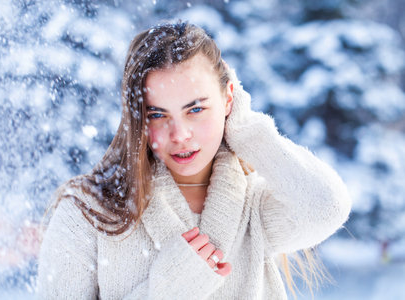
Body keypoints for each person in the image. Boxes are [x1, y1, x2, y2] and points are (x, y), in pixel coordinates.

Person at [37, 21, 351, 299]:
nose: (180, 134)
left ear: (228, 99)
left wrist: (243, 129)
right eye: (157, 114)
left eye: (196, 109)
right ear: (138, 119)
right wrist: (167, 291)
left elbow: (326, 206)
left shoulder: (255, 207)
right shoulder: (88, 212)